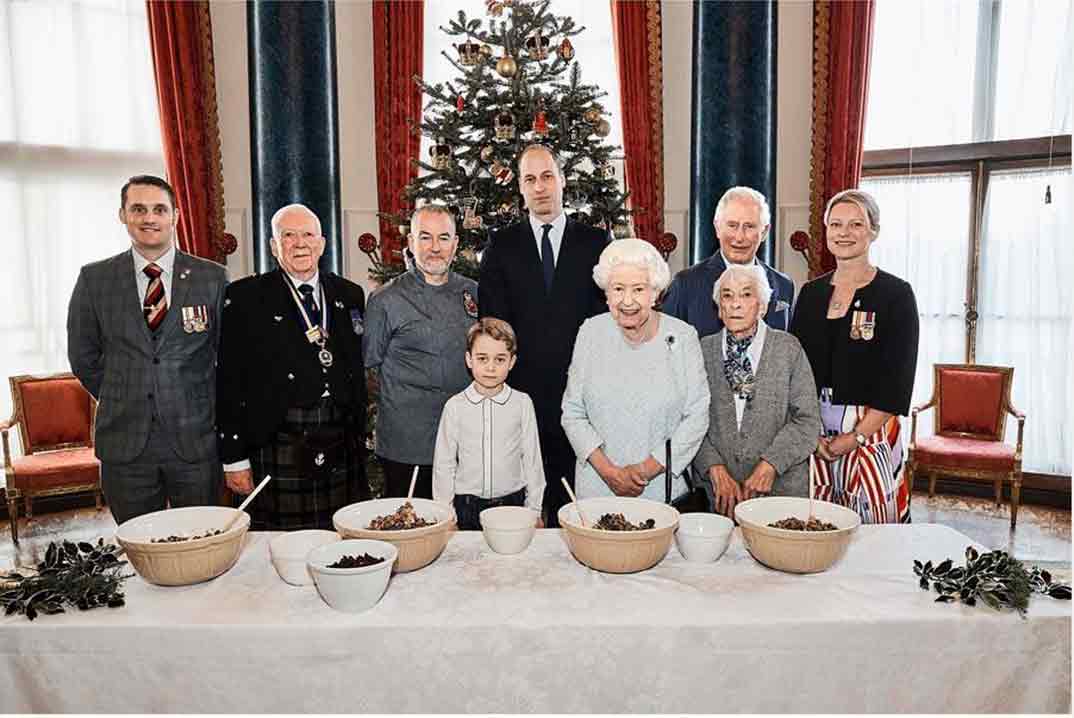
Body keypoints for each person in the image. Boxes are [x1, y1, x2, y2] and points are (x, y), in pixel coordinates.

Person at [67, 175, 228, 526]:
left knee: (201, 544)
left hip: (194, 443)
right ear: (122, 215)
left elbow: (226, 358)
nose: (149, 218)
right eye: (138, 209)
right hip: (125, 446)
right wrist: (123, 393)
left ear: (176, 216)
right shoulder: (95, 279)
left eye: (159, 209)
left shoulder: (212, 278)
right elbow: (83, 356)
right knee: (140, 549)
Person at [216, 203, 368, 530]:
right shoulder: (245, 297)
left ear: (322, 243)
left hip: (341, 438)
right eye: (288, 235)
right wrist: (233, 457)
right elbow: (229, 381)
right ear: (274, 246)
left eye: (308, 234)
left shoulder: (350, 294)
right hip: (276, 438)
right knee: (278, 547)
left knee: (344, 539)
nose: (300, 243)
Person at [479, 144, 608, 526]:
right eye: (530, 179)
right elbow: (494, 323)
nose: (540, 187)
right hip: (522, 399)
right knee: (528, 511)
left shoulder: (595, 243)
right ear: (519, 188)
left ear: (562, 181)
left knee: (577, 512)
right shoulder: (502, 246)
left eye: (547, 176)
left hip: (583, 400)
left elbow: (605, 322)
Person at [790, 189, 919, 524]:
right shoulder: (810, 293)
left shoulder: (896, 294)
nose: (844, 233)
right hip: (814, 429)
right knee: (816, 526)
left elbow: (897, 380)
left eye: (855, 224)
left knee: (875, 530)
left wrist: (857, 435)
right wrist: (809, 431)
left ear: (873, 230)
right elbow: (795, 369)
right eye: (836, 224)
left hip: (871, 429)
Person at [561, 238, 710, 502]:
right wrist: (609, 473)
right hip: (598, 487)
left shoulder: (683, 336)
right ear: (606, 293)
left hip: (662, 490)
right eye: (617, 289)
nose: (627, 301)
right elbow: (573, 413)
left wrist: (644, 470)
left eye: (639, 289)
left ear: (655, 293)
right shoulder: (590, 332)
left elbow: (696, 417)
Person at [363, 204, 478, 500]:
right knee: (410, 529)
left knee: (464, 532)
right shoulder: (385, 300)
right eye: (425, 238)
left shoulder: (475, 293)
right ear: (411, 244)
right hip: (407, 444)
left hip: (465, 441)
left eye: (444, 238)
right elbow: (369, 369)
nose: (435, 248)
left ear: (455, 244)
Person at [693, 264, 822, 517]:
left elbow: (807, 421)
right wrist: (714, 467)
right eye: (727, 296)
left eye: (746, 295)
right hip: (719, 497)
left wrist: (770, 464)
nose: (735, 304)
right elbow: (689, 420)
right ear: (719, 308)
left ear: (762, 306)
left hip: (781, 492)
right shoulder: (701, 350)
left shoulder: (788, 349)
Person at [432, 318, 545, 530]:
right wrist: (447, 516)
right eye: (482, 358)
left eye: (500, 359)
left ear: (511, 362)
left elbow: (532, 460)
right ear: (469, 359)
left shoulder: (522, 403)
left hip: (512, 505)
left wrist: (534, 510)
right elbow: (444, 465)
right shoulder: (455, 406)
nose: (491, 368)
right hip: (467, 506)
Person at [663, 186, 795, 338]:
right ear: (717, 228)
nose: (739, 237)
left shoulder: (784, 285)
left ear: (764, 232)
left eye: (749, 226)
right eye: (732, 225)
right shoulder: (685, 284)